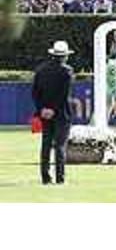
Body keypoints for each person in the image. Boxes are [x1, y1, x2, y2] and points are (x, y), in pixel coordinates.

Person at [31, 40, 74, 185]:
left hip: (44, 114)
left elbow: (35, 93)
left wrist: (42, 109)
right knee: (60, 146)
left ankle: (45, 177)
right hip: (61, 114)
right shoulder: (67, 71)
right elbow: (63, 95)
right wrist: (53, 110)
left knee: (46, 145)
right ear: (65, 56)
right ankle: (60, 178)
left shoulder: (41, 70)